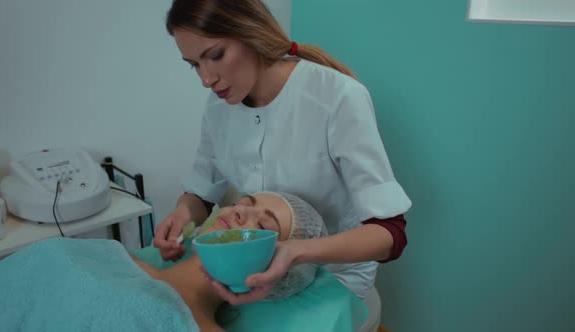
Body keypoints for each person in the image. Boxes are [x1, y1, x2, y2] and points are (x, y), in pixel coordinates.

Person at [154, 0, 412, 330]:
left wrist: (295, 252)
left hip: (332, 277)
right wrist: (182, 216)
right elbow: (202, 192)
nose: (205, 79)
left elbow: (391, 235)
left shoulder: (337, 98)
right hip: (249, 269)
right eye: (194, 65)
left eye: (215, 55)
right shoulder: (219, 108)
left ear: (249, 33)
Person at [0, 191, 327, 332]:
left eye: (263, 225)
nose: (240, 211)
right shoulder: (108, 255)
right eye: (245, 202)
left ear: (277, 269)